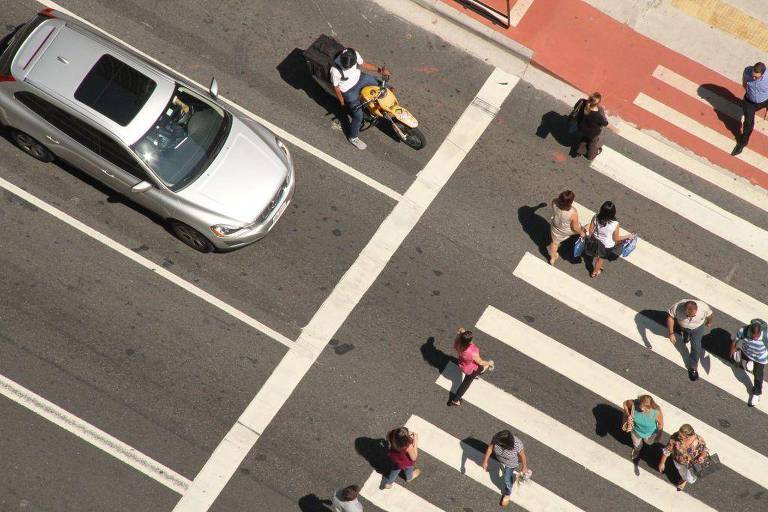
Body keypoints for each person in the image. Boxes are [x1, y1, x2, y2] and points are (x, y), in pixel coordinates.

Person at [331, 48, 389, 150]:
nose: (347, 68)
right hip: (349, 90)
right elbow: (336, 88)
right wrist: (342, 101)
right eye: (346, 67)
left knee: (384, 88)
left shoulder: (354, 54)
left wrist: (380, 71)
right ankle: (353, 138)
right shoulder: (335, 70)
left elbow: (364, 64)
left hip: (361, 78)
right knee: (358, 116)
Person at [666, 299, 714, 381]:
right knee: (685, 331)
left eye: (693, 316)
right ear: (684, 309)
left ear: (697, 310)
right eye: (688, 316)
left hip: (697, 329)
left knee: (696, 347)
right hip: (683, 327)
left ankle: (693, 367)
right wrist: (671, 333)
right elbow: (670, 318)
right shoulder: (677, 307)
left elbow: (710, 315)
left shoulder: (703, 307)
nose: (690, 318)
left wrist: (709, 322)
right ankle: (686, 334)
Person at [584, 201, 633, 278]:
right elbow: (616, 238)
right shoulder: (615, 224)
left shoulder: (596, 217)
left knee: (595, 253)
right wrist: (628, 236)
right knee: (600, 259)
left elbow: (590, 231)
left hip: (595, 241)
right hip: (606, 246)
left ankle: (596, 263)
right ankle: (595, 272)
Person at [481, 430, 529, 507]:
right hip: (501, 459)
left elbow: (522, 456)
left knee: (507, 478)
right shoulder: (497, 438)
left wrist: (524, 466)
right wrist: (485, 461)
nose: (495, 442)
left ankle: (508, 492)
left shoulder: (517, 445)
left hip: (511, 463)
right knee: (507, 476)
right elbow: (490, 448)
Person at [448, 328, 493, 406]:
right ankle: (455, 400)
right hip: (471, 369)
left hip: (462, 363)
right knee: (466, 383)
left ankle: (478, 373)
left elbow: (460, 334)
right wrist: (489, 363)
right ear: (469, 342)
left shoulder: (457, 342)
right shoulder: (472, 351)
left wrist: (462, 333)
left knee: (475, 374)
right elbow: (481, 362)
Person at [658, 424, 709, 491]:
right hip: (679, 462)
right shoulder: (675, 437)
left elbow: (704, 450)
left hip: (692, 465)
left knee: (690, 479)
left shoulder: (699, 440)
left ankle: (685, 480)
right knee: (682, 472)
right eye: (679, 433)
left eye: (680, 436)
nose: (678, 436)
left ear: (687, 436)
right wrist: (662, 463)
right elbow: (668, 450)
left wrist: (702, 457)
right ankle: (684, 479)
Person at [732, 62, 768, 156]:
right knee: (748, 123)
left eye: (757, 77)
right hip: (750, 102)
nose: (754, 78)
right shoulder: (747, 71)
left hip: (765, 100)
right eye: (753, 76)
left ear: (763, 74)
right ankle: (742, 143)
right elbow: (744, 84)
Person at [729, 320, 768, 407]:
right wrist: (733, 348)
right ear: (750, 331)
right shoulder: (743, 331)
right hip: (747, 352)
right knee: (739, 358)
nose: (755, 339)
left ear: (760, 332)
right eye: (753, 337)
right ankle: (746, 360)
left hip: (760, 358)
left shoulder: (766, 335)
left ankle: (756, 393)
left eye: (757, 337)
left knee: (758, 375)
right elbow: (736, 339)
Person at [547, 190, 585, 265]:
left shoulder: (554, 202)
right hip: (566, 230)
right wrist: (581, 232)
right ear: (570, 202)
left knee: (554, 243)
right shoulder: (573, 212)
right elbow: (575, 227)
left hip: (555, 227)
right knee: (582, 228)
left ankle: (553, 258)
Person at [622, 395, 664, 461]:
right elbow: (625, 404)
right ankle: (637, 451)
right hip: (636, 431)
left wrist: (659, 436)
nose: (642, 409)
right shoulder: (634, 404)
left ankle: (645, 444)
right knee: (637, 445)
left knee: (649, 442)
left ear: (650, 407)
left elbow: (661, 424)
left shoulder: (656, 412)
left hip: (650, 433)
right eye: (641, 406)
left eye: (645, 408)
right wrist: (628, 415)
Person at [575, 93, 608, 160]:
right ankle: (591, 155)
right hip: (592, 133)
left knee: (584, 138)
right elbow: (605, 123)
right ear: (597, 103)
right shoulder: (598, 112)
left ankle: (580, 151)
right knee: (592, 144)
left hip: (581, 127)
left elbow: (575, 108)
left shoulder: (583, 102)